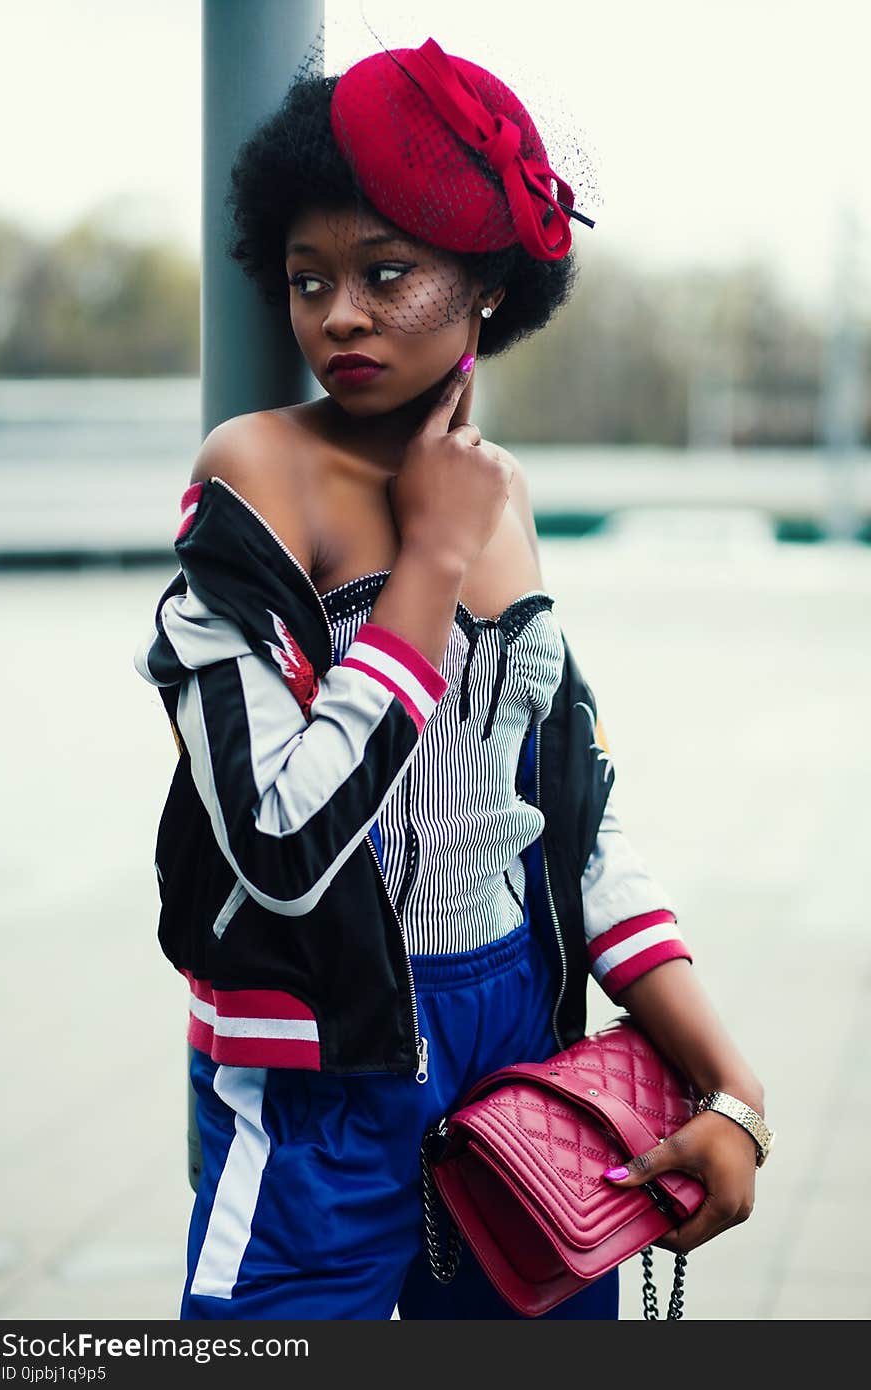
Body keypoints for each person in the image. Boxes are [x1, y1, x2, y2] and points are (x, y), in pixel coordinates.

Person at [135, 36, 771, 1321]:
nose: (339, 315)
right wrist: (426, 560)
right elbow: (279, 834)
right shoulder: (254, 470)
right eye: (310, 279)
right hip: (320, 1055)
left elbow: (565, 814)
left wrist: (730, 1091)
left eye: (386, 272)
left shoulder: (508, 490)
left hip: (518, 1043)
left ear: (485, 285)